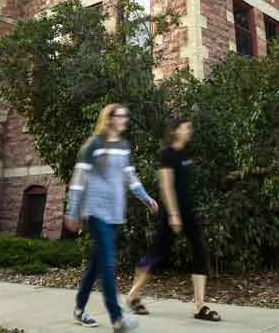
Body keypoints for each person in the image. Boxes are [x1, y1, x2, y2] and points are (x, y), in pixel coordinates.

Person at [64, 103, 158, 331]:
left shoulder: (124, 146)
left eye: (126, 115)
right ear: (110, 118)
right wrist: (72, 211)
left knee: (97, 264)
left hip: (115, 213)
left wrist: (145, 197)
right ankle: (116, 318)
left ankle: (78, 310)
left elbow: (130, 176)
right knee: (108, 263)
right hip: (96, 211)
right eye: (121, 115)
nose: (125, 119)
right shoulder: (94, 145)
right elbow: (78, 181)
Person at [126, 118, 221, 322]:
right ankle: (133, 295)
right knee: (157, 254)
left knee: (199, 252)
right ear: (176, 131)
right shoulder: (167, 154)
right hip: (172, 214)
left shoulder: (185, 153)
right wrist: (173, 214)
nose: (190, 131)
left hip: (189, 213)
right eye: (187, 127)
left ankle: (199, 306)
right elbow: (166, 187)